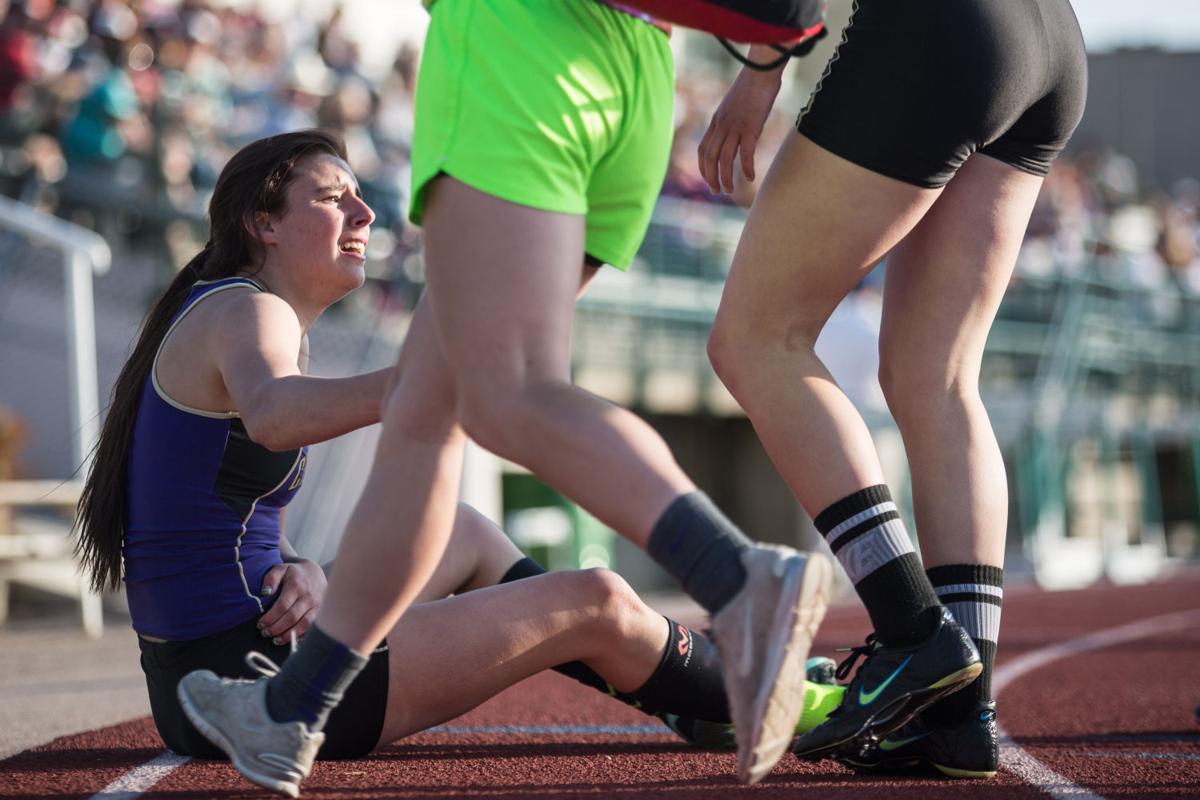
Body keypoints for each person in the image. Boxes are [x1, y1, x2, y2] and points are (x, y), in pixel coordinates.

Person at [176, 1, 834, 794]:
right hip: (633, 75)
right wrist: (763, 71)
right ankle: (293, 712)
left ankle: (741, 581)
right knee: (427, 417)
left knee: (508, 391)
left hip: (519, 50)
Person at [697, 0, 1087, 779]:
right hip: (1053, 47)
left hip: (940, 29)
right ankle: (957, 717)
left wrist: (763, 62)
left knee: (754, 339)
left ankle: (914, 630)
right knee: (937, 377)